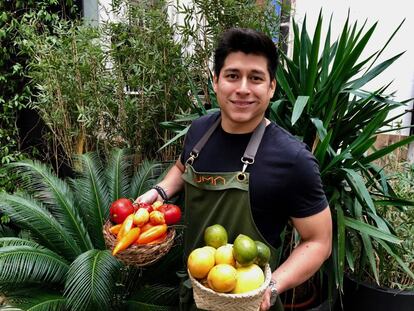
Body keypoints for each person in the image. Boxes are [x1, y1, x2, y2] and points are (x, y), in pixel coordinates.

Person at [136, 27, 332, 311]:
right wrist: (161, 191)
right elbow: (182, 167)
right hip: (194, 294)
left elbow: (319, 242)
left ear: (271, 87)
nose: (243, 88)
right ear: (215, 82)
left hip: (250, 302)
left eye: (255, 78)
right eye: (232, 76)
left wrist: (272, 286)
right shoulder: (200, 131)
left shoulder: (292, 159)